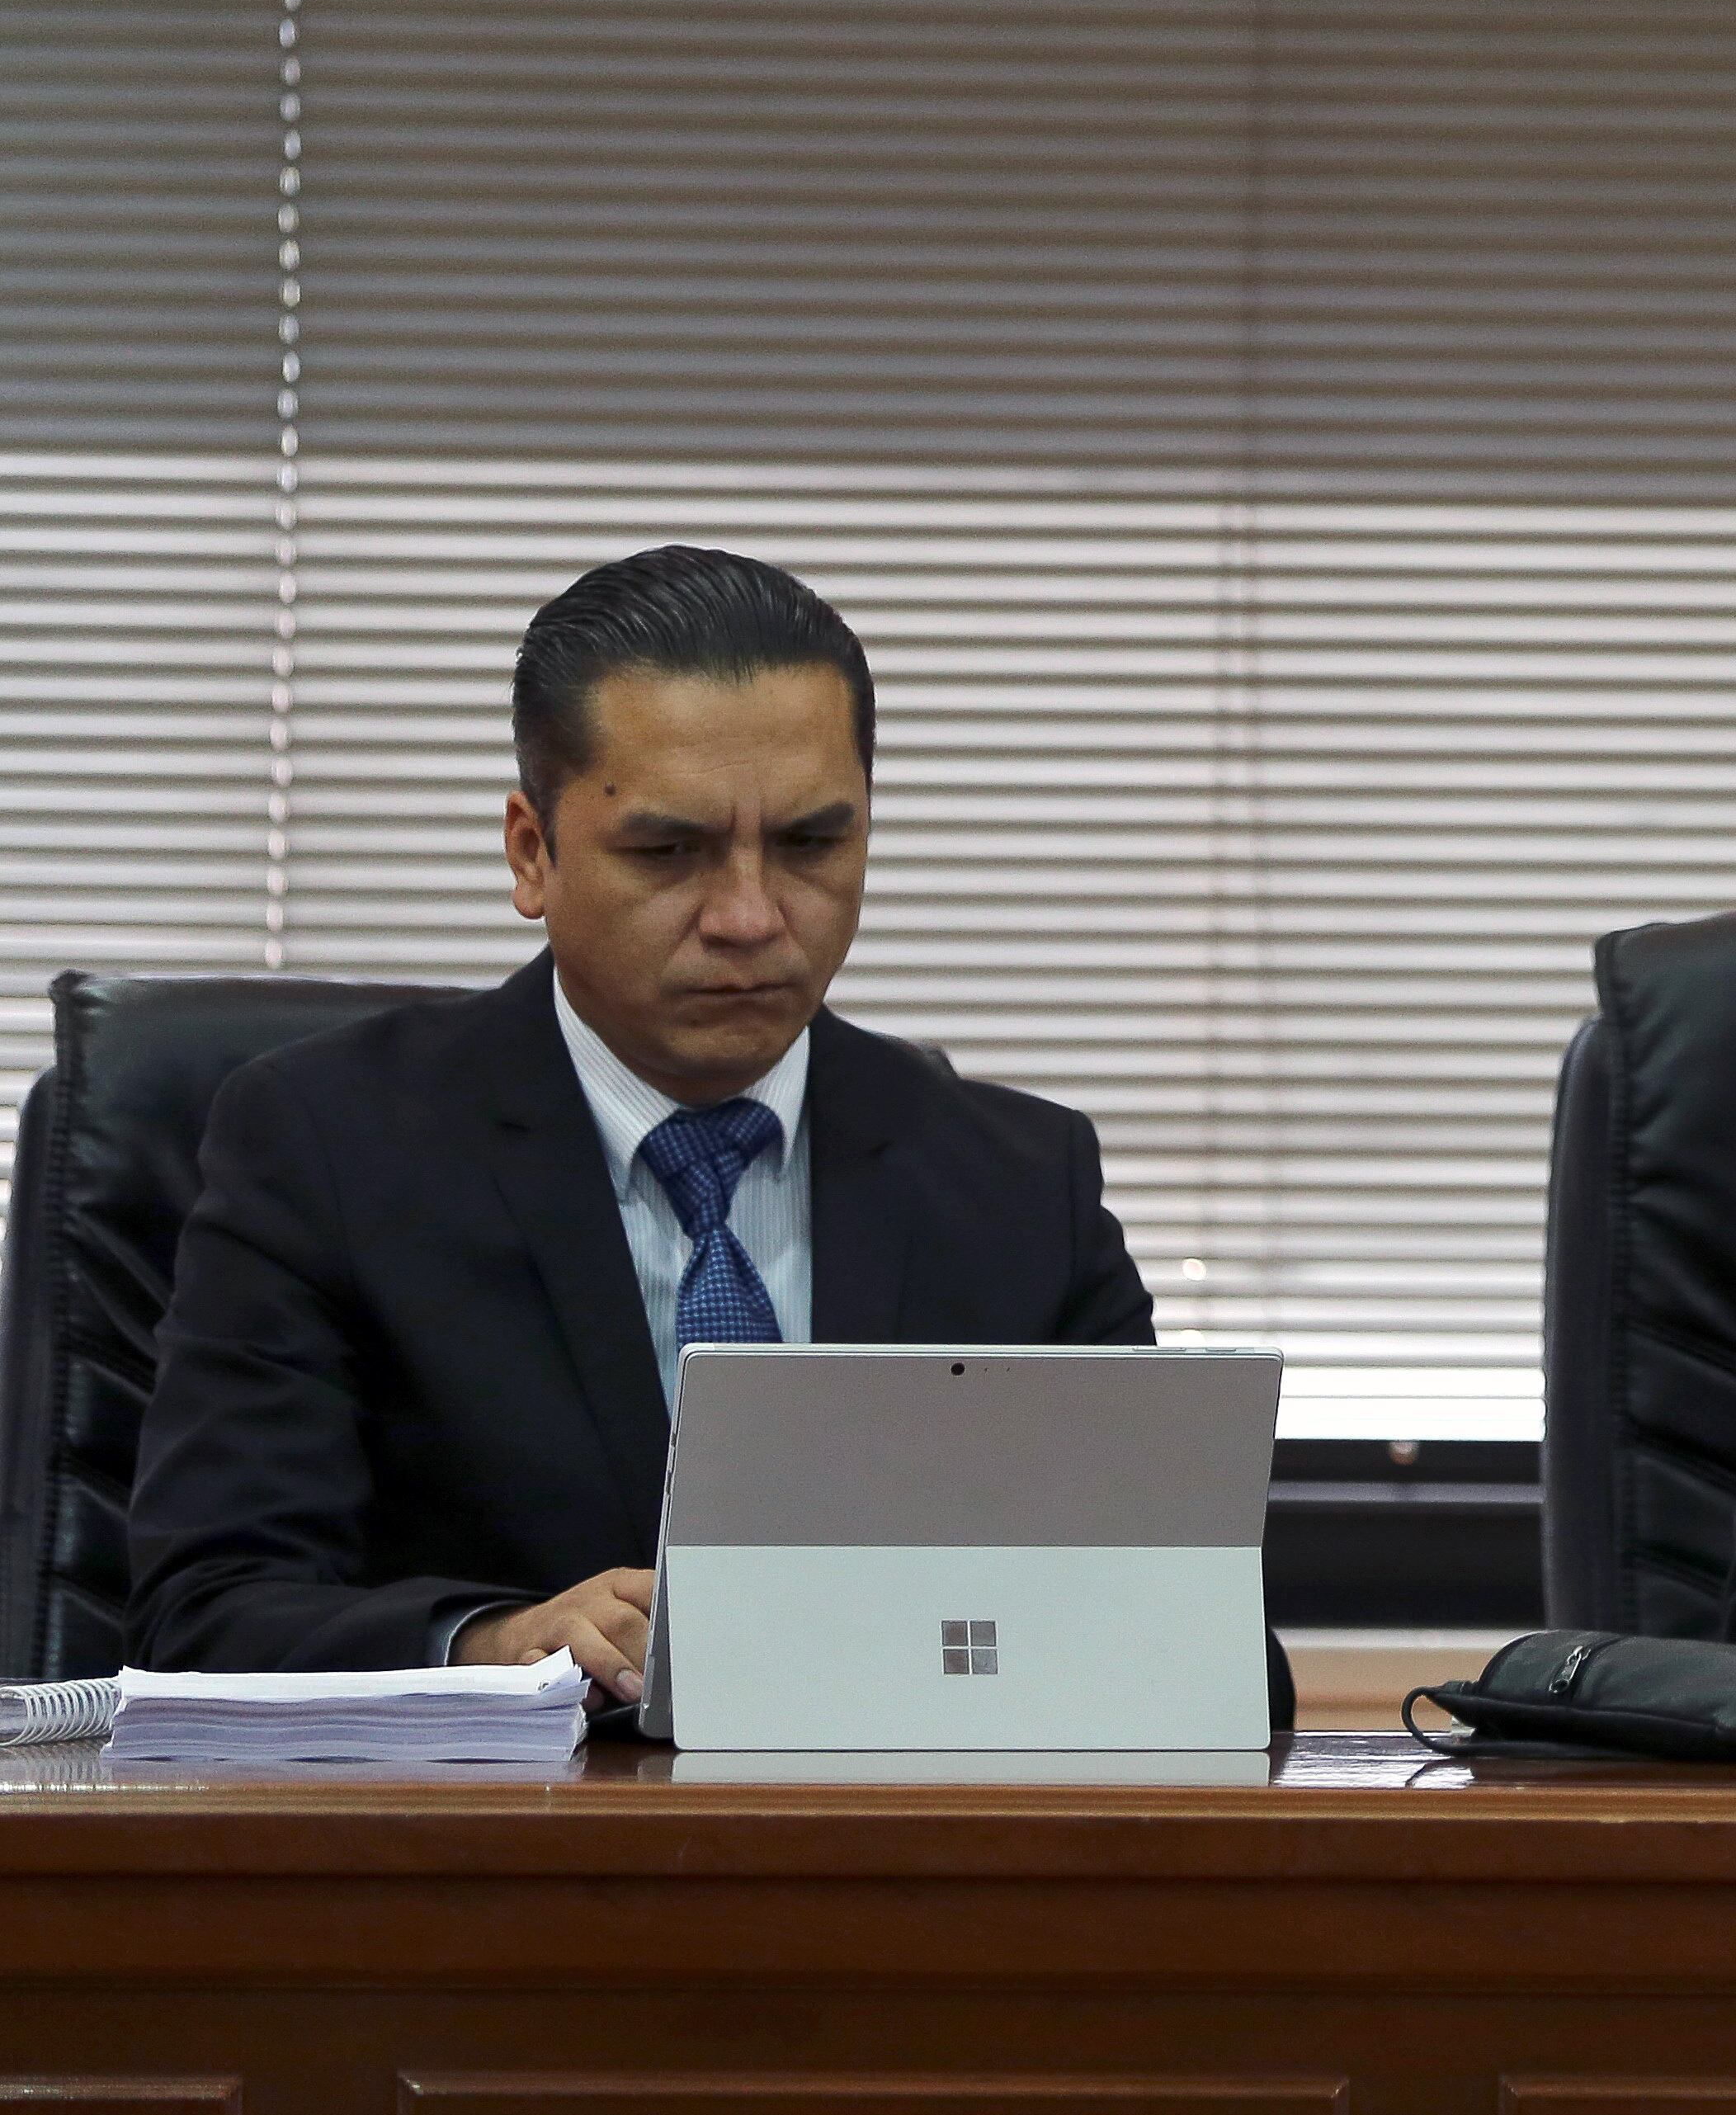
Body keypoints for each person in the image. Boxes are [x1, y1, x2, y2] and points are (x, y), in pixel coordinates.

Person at [130, 547, 1285, 1716]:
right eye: (668, 853)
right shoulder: (330, 1149)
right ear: (534, 852)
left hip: (892, 1860)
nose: (749, 917)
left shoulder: (1016, 1186)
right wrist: (488, 1643)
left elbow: (1213, 1648)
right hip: (491, 1869)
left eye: (810, 846)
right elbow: (208, 1614)